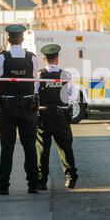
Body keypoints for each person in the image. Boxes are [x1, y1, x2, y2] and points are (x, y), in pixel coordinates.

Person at [0, 25, 40, 195]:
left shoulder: (1, 58)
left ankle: (3, 186)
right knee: (30, 146)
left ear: (9, 40)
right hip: (28, 107)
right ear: (22, 39)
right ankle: (33, 184)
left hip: (7, 107)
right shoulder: (32, 58)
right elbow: (35, 80)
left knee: (7, 147)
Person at [36, 44, 78, 190]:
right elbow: (73, 95)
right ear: (57, 59)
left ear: (44, 59)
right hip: (61, 116)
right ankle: (70, 178)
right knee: (65, 148)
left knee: (42, 150)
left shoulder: (39, 75)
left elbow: (35, 94)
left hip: (44, 116)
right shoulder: (65, 75)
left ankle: (42, 180)